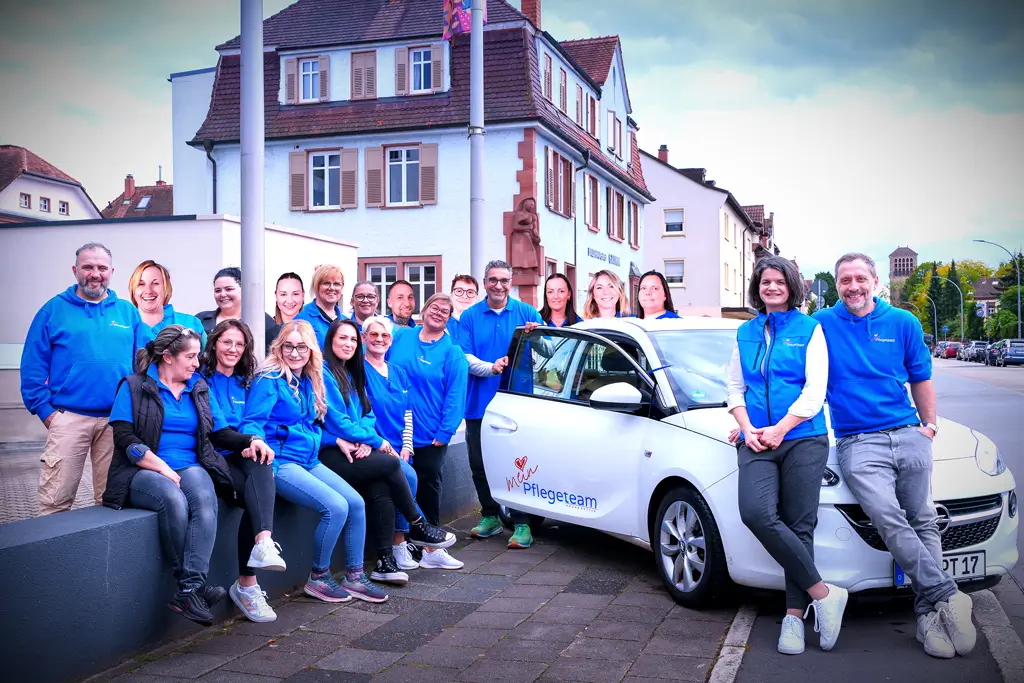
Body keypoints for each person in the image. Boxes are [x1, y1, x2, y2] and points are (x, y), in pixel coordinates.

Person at [816, 253, 975, 660]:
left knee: (923, 519)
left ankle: (928, 618)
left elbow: (921, 377)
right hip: (857, 441)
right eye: (845, 280)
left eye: (860, 278)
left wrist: (929, 427)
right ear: (837, 285)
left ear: (875, 281)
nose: (853, 286)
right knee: (887, 517)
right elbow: (791, 373)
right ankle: (948, 594)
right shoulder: (821, 324)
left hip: (908, 433)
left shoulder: (904, 322)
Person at [103, 325, 276, 626]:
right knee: (174, 499)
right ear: (168, 356)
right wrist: (161, 467)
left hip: (189, 465)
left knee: (205, 497)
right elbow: (124, 438)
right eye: (191, 357)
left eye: (198, 356)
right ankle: (191, 588)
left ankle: (189, 589)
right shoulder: (133, 386)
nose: (197, 363)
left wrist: (251, 440)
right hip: (142, 469)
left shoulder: (198, 386)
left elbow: (220, 433)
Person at [726, 256, 846, 655]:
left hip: (803, 438)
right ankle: (824, 594)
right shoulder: (745, 331)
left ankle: (794, 617)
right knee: (755, 513)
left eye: (779, 281)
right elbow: (735, 387)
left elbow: (815, 391)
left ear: (791, 286)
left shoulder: (809, 329)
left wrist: (780, 429)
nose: (772, 287)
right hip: (757, 439)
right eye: (765, 282)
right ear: (757, 288)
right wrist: (747, 428)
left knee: (799, 525)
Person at [319, 318, 456, 587]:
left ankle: (385, 562)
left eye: (351, 339)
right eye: (342, 338)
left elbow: (366, 413)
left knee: (382, 485)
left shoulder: (351, 372)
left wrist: (369, 438)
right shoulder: (326, 373)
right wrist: (373, 441)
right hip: (333, 451)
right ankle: (418, 527)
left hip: (360, 445)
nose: (348, 344)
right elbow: (337, 421)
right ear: (330, 341)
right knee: (396, 469)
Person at [239, 320, 363, 604]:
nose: (294, 353)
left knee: (355, 503)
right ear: (279, 347)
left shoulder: (309, 379)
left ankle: (355, 576)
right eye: (289, 346)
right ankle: (319, 577)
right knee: (336, 507)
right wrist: (257, 443)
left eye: (301, 347)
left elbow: (313, 424)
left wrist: (334, 439)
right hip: (281, 462)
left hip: (308, 459)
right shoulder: (269, 379)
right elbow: (252, 422)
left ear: (311, 351)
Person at [21, 242, 145, 515]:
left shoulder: (127, 312)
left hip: (116, 420)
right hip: (67, 418)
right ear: (75, 270)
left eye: (102, 268)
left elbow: (144, 363)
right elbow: (32, 366)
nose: (95, 274)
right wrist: (47, 412)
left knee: (112, 501)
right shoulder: (53, 310)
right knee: (54, 502)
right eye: (88, 267)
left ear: (111, 271)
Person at [199, 320, 288, 623]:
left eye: (239, 344)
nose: (233, 349)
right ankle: (248, 584)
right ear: (214, 343)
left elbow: (255, 422)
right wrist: (250, 441)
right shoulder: (202, 380)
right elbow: (218, 432)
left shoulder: (245, 381)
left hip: (243, 455)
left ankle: (262, 546)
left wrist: (254, 442)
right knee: (256, 493)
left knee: (261, 470)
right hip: (214, 457)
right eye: (227, 342)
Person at [459, 260, 542, 548]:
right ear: (485, 282)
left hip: (517, 404)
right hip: (479, 403)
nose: (498, 285)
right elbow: (465, 358)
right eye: (493, 280)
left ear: (511, 282)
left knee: (518, 463)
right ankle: (490, 516)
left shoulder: (527, 313)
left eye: (504, 280)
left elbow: (548, 353)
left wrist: (536, 336)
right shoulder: (469, 317)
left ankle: (522, 522)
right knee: (479, 463)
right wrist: (491, 368)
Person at [386, 296, 469, 569]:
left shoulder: (452, 351)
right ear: (424, 309)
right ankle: (403, 544)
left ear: (449, 318)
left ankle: (432, 547)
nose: (438, 313)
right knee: (400, 486)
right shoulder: (401, 336)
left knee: (428, 486)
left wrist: (446, 432)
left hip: (430, 434)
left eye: (445, 311)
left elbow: (456, 395)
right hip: (395, 429)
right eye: (434, 308)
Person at [196, 267, 279, 352]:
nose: (223, 294)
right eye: (218, 290)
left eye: (229, 289)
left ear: (243, 290)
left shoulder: (263, 321)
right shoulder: (200, 320)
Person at [130, 260, 207, 346]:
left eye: (155, 283)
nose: (148, 290)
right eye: (141, 284)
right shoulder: (123, 326)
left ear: (166, 288)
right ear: (133, 289)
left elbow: (209, 354)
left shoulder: (191, 324)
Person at [296, 264, 345, 349]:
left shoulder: (346, 321)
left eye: (337, 284)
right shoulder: (301, 317)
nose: (332, 288)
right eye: (326, 283)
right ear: (316, 286)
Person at [446, 274, 479, 343]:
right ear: (451, 295)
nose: (464, 296)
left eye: (470, 292)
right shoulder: (439, 324)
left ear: (476, 298)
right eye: (459, 291)